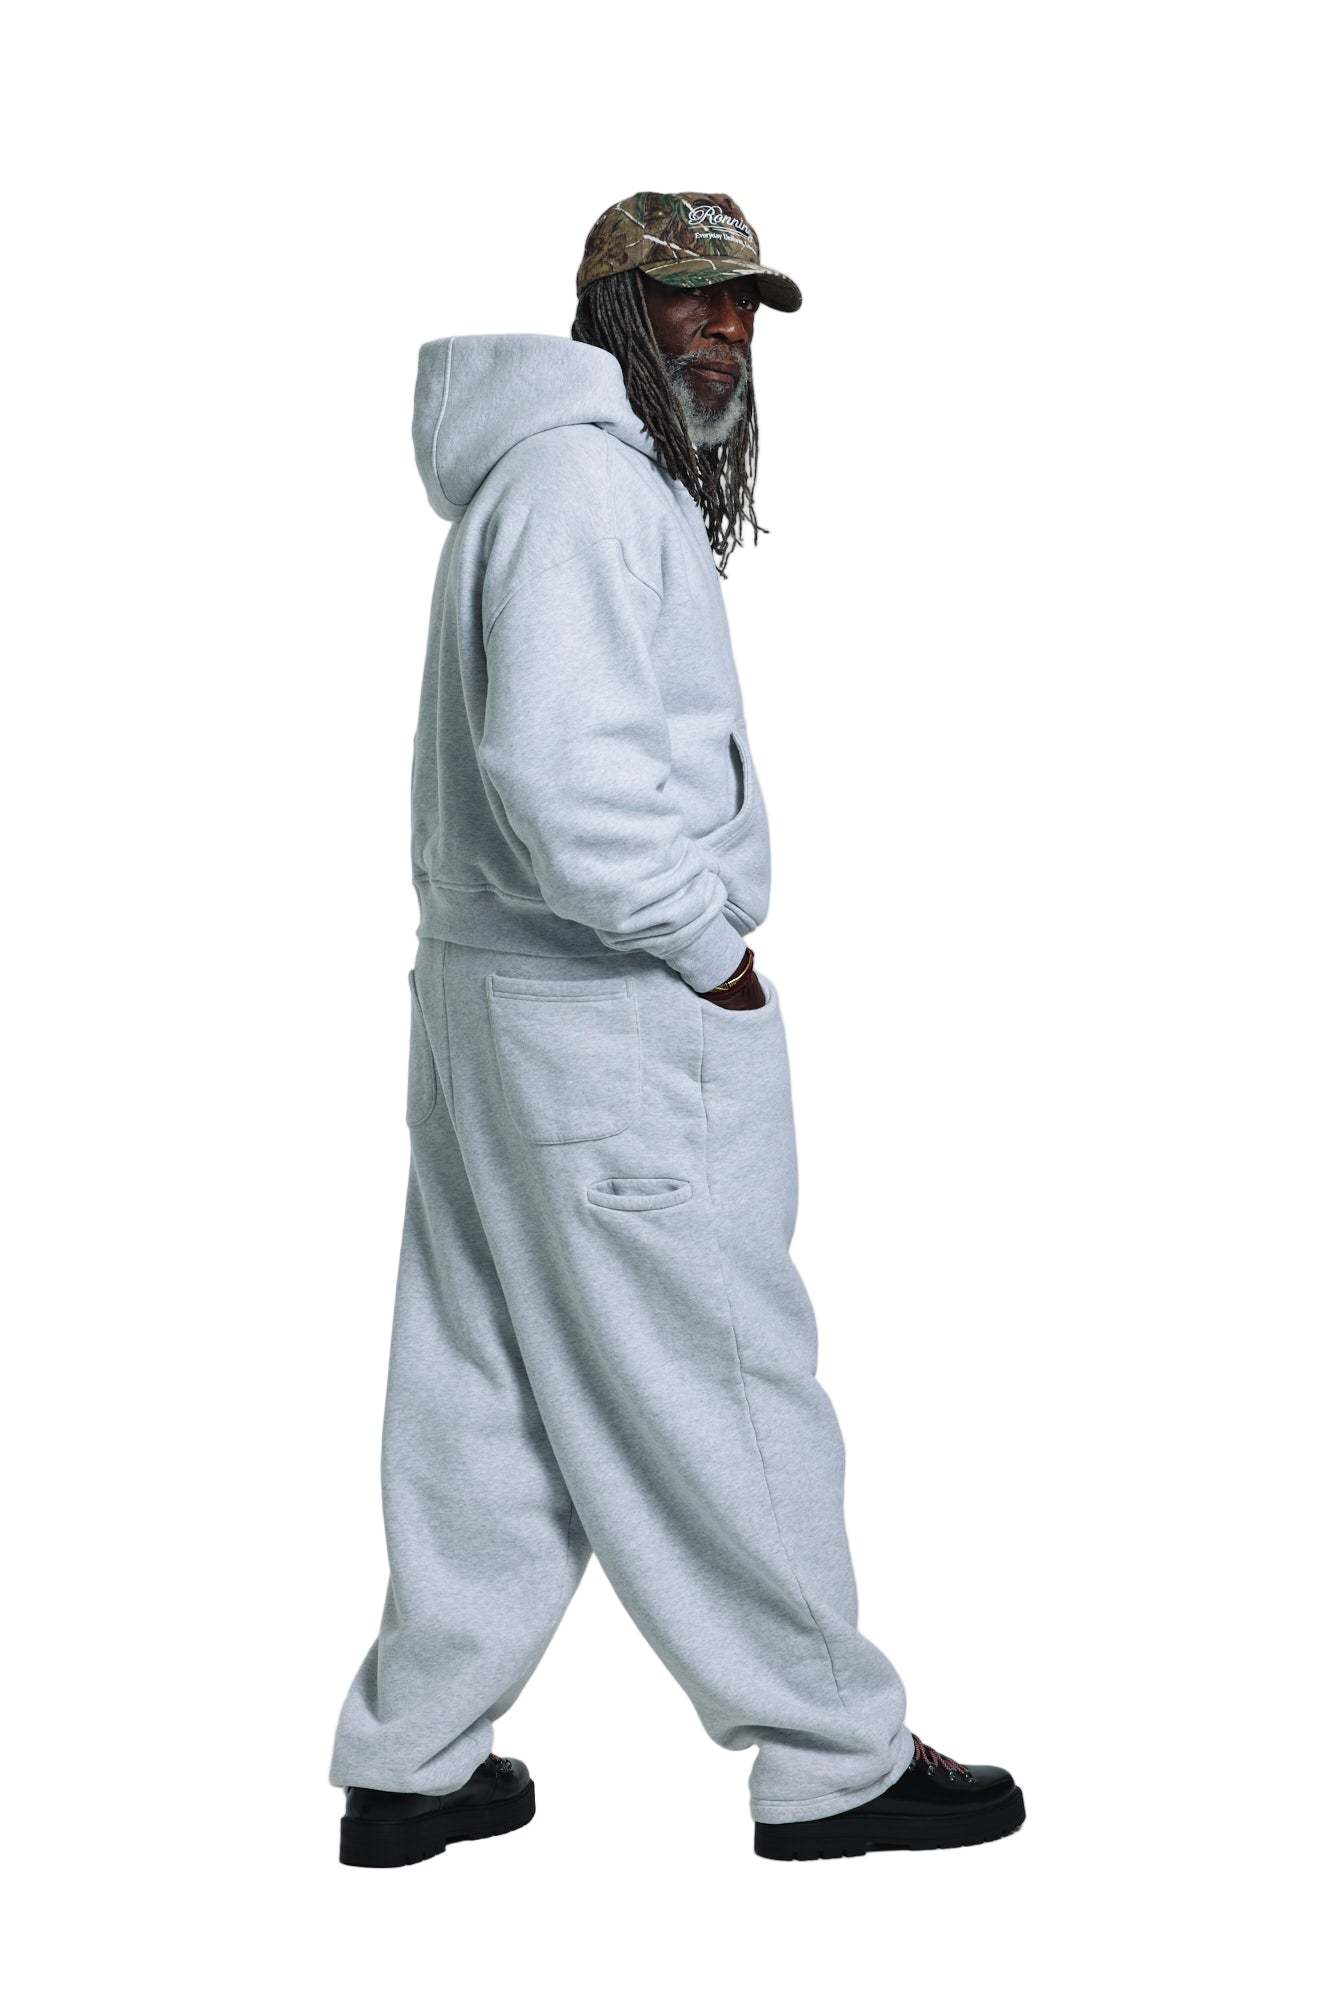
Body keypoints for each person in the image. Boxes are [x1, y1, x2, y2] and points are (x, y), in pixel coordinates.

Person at [330, 191, 1024, 1866]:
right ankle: (833, 1753)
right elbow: (565, 778)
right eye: (685, 298)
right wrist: (702, 948)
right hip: (606, 1010)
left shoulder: (543, 479)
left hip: (500, 1004)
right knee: (717, 1370)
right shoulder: (581, 487)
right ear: (607, 312)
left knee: (488, 1379)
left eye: (743, 306)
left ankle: (415, 1756)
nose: (723, 330)